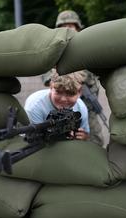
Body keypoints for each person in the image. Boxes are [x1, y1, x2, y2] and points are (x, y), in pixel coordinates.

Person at [42, 10, 104, 146]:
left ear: (77, 28)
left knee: (94, 140)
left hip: (87, 104)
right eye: (63, 27)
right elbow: (47, 77)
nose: (67, 30)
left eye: (70, 26)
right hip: (62, 106)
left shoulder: (87, 49)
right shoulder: (52, 51)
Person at [25, 70, 90, 140]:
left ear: (79, 92)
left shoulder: (81, 107)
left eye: (70, 93)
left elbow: (85, 134)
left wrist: (83, 136)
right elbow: (35, 140)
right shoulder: (35, 107)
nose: (63, 99)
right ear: (51, 86)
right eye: (58, 92)